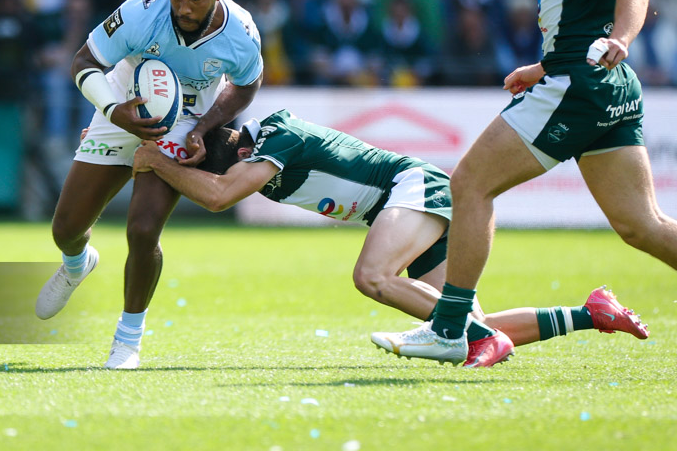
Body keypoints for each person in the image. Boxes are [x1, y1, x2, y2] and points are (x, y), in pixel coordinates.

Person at [371, 0, 677, 365]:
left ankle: (448, 328)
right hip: (598, 85)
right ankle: (450, 327)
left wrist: (621, 39)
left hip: (580, 86)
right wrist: (544, 65)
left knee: (468, 185)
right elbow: (587, 7)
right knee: (641, 226)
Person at [133, 109, 649, 368]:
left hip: (413, 189)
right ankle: (593, 312)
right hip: (405, 206)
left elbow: (220, 196)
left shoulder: (275, 134)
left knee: (373, 277)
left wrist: (157, 161)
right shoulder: (260, 167)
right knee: (475, 323)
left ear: (241, 151)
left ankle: (468, 338)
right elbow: (218, 190)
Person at [36, 0, 263, 369]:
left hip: (186, 120)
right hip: (124, 103)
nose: (183, 6)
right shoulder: (142, 10)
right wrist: (112, 111)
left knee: (143, 229)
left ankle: (127, 341)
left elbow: (247, 86)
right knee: (66, 228)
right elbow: (84, 62)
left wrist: (202, 126)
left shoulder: (243, 33)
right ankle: (77, 263)